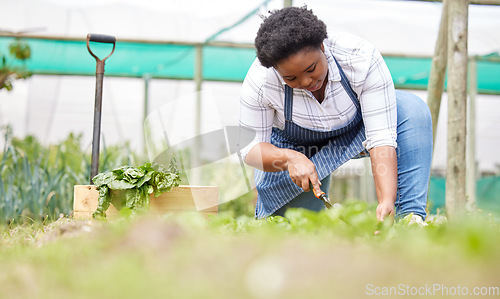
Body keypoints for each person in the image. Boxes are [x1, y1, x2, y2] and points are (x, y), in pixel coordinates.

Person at [238, 6, 432, 222]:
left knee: (409, 109)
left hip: (356, 130)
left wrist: (386, 200)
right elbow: (251, 149)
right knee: (298, 227)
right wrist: (290, 159)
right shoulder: (260, 80)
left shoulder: (359, 57)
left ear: (322, 46)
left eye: (311, 69)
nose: (305, 82)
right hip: (296, 145)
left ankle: (410, 218)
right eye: (291, 79)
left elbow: (381, 137)